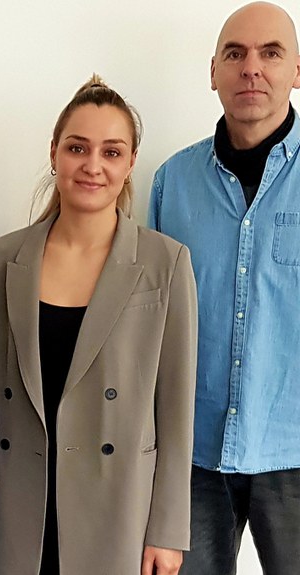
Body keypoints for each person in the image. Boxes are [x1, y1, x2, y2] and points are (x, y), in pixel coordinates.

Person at [0, 76, 197, 575]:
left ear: (131, 162)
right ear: (54, 152)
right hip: (18, 502)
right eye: (77, 148)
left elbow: (176, 408)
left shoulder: (165, 263)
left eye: (111, 152)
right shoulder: (3, 258)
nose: (93, 165)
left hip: (119, 506)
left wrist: (167, 530)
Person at [149, 3, 300, 574]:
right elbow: (152, 318)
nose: (251, 68)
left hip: (294, 448)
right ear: (213, 71)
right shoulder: (172, 182)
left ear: (297, 70)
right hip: (192, 453)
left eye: (270, 53)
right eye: (235, 54)